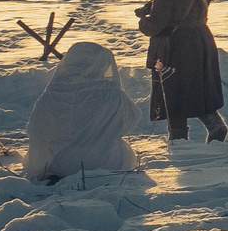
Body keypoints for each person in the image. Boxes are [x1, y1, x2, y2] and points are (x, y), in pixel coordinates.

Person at [138, 0, 228, 142]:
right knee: (198, 86)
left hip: (176, 46)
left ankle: (178, 138)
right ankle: (215, 124)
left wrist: (143, 20)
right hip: (202, 40)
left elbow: (155, 26)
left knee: (174, 90)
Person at [24, 41, 143, 183]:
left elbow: (34, 128)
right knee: (125, 153)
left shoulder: (52, 92)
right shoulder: (112, 93)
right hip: (102, 164)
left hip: (54, 165)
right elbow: (130, 121)